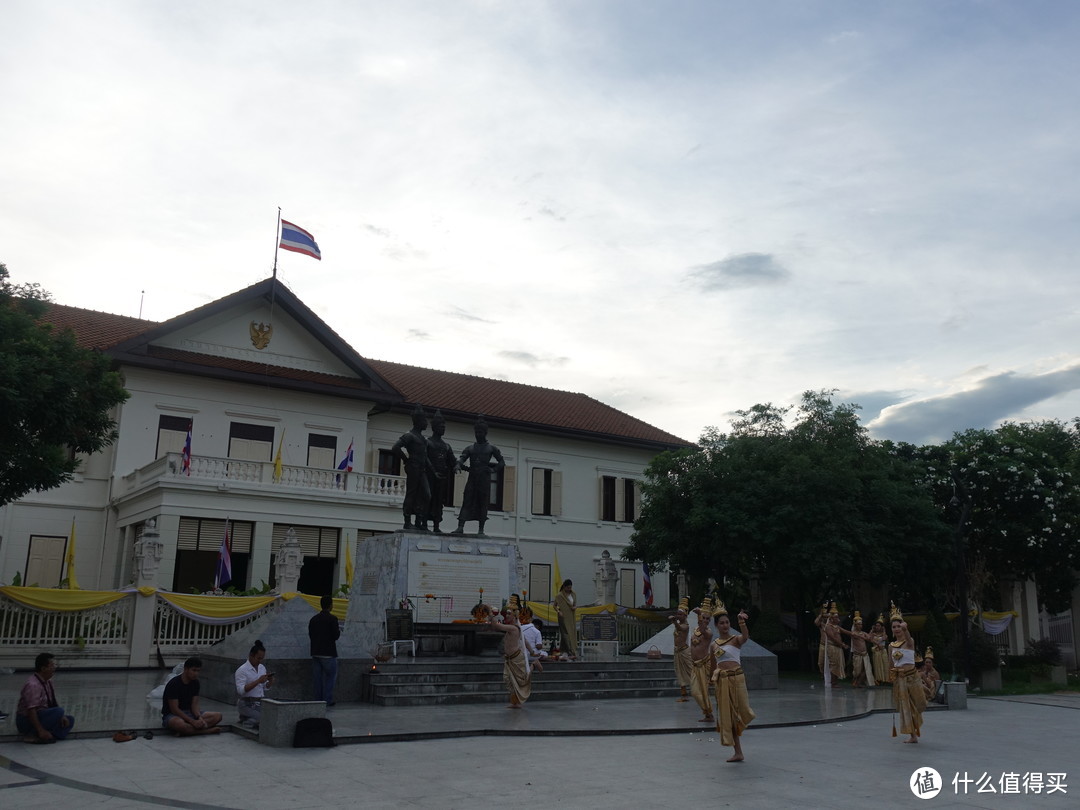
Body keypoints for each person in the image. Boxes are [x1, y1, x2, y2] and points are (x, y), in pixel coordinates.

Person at [709, 601, 755, 762]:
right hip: (722, 682)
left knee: (742, 711)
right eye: (721, 623)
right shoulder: (714, 645)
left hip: (737, 679)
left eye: (727, 622)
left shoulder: (736, 639)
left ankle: (739, 750)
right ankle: (738, 752)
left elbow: (746, 636)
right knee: (729, 716)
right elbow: (713, 665)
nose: (725, 625)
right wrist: (711, 681)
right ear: (716, 625)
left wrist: (741, 621)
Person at [453, 415, 505, 536]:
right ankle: (460, 527)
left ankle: (481, 529)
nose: (478, 434)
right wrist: (458, 465)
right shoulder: (470, 448)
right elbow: (462, 459)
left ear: (485, 432)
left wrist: (493, 470)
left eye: (480, 432)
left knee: (483, 503)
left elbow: (502, 462)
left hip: (484, 479)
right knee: (467, 500)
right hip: (472, 479)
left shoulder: (491, 448)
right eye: (476, 432)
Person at [487, 596, 537, 707]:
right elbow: (525, 641)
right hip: (509, 659)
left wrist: (491, 615)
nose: (507, 615)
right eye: (507, 614)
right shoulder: (512, 627)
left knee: (521, 680)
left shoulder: (513, 628)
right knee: (507, 679)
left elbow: (497, 626)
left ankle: (533, 665)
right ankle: (515, 701)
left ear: (514, 616)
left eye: (509, 614)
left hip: (516, 658)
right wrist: (531, 651)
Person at [888, 602, 926, 743]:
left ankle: (915, 730)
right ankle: (913, 735)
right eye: (894, 627)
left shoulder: (909, 642)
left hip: (912, 678)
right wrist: (890, 677)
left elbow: (909, 638)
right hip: (900, 679)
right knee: (906, 708)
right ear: (891, 629)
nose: (897, 629)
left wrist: (906, 629)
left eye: (899, 626)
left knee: (918, 704)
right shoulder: (891, 646)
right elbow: (890, 664)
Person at [16, 652, 75, 743]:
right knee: (59, 711)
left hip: (42, 714)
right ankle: (33, 734)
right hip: (26, 720)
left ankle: (49, 735)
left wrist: (61, 716)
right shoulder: (33, 685)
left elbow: (52, 702)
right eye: (52, 666)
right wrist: (41, 729)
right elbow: (31, 710)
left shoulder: (48, 681)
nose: (54, 668)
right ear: (43, 668)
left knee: (69, 719)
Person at [393, 403, 433, 531]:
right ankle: (407, 521)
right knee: (411, 494)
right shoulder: (409, 435)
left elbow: (425, 457)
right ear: (418, 421)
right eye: (424, 421)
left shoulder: (423, 439)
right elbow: (395, 447)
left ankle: (419, 520)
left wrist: (433, 471)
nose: (426, 423)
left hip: (422, 469)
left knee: (426, 495)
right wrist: (406, 460)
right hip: (414, 467)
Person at [161, 657, 223, 736]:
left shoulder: (195, 683)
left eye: (198, 671)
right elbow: (174, 709)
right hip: (173, 715)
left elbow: (194, 704)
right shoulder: (174, 684)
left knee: (217, 716)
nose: (196, 673)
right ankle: (206, 731)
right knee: (179, 724)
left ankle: (188, 730)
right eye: (193, 670)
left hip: (190, 713)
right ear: (186, 669)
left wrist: (199, 718)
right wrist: (192, 721)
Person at [424, 410, 455, 533]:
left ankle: (436, 525)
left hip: (442, 477)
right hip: (429, 476)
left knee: (438, 501)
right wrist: (433, 471)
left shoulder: (446, 446)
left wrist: (459, 466)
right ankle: (424, 523)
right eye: (441, 426)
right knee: (427, 498)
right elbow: (424, 457)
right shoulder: (427, 442)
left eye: (444, 427)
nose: (443, 429)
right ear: (434, 427)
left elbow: (453, 461)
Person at [309, 594, 340, 705]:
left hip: (316, 652)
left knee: (318, 679)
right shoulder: (332, 619)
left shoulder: (314, 619)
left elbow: (311, 635)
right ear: (330, 605)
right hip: (328, 653)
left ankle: (318, 700)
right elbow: (336, 635)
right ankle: (327, 700)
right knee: (330, 677)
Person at [235, 639, 274, 728]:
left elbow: (264, 687)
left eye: (262, 658)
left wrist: (270, 681)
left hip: (259, 702)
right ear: (251, 656)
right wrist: (257, 681)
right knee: (262, 719)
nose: (260, 661)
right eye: (258, 658)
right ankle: (247, 721)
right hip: (246, 703)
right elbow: (241, 691)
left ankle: (247, 718)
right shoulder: (242, 670)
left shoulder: (262, 668)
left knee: (271, 718)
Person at [689, 597, 715, 724]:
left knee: (702, 692)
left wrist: (699, 614)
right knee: (695, 691)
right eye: (703, 618)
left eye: (707, 619)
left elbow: (703, 629)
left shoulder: (708, 633)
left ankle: (708, 714)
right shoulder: (694, 631)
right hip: (695, 665)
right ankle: (707, 713)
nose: (705, 620)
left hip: (704, 665)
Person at [837, 610, 876, 688]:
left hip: (865, 654)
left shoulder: (863, 633)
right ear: (855, 625)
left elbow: (869, 638)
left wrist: (872, 631)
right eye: (858, 624)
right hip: (857, 655)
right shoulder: (854, 633)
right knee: (857, 671)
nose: (860, 626)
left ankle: (858, 683)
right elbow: (846, 632)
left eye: (861, 624)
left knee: (865, 670)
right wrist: (839, 628)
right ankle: (855, 681)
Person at [814, 601, 848, 682]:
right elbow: (816, 622)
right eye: (825, 617)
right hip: (823, 645)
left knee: (833, 663)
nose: (827, 618)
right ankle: (823, 675)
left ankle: (833, 680)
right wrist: (821, 614)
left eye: (828, 617)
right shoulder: (822, 624)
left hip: (831, 645)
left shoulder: (833, 626)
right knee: (820, 663)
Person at [669, 597, 692, 702]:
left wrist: (674, 622)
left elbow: (680, 629)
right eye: (677, 614)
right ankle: (684, 694)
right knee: (679, 673)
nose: (678, 616)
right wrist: (675, 622)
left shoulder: (685, 626)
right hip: (677, 652)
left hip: (685, 652)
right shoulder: (677, 625)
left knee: (691, 672)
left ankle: (700, 689)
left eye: (680, 614)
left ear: (685, 615)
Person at [554, 579, 578, 659]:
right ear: (564, 587)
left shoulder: (573, 594)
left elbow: (574, 605)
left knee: (571, 632)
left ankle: (563, 650)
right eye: (567, 587)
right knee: (566, 633)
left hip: (571, 616)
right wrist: (558, 611)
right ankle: (571, 651)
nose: (569, 589)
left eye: (570, 587)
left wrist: (575, 607)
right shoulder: (560, 595)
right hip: (563, 616)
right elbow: (554, 606)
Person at [868, 613, 890, 684]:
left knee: (884, 664)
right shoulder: (873, 634)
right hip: (876, 651)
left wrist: (884, 630)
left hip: (883, 651)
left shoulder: (884, 634)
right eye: (876, 626)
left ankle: (885, 679)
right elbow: (869, 638)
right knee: (877, 665)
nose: (877, 627)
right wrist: (872, 629)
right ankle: (878, 679)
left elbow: (884, 638)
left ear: (881, 627)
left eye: (879, 626)